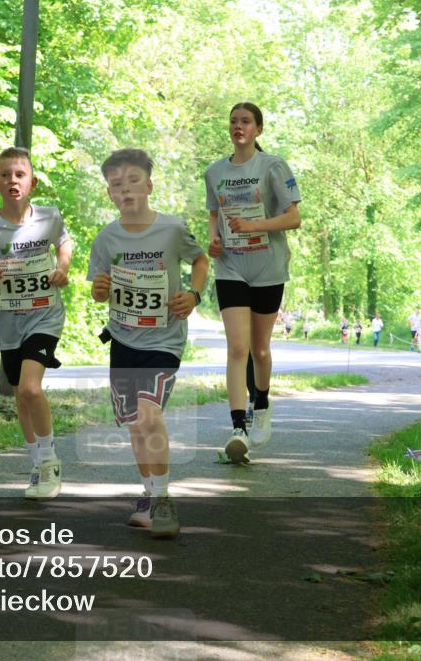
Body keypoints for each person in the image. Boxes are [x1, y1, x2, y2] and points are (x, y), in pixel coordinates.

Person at [89, 148, 208, 538]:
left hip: (164, 339)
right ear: (109, 193)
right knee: (135, 426)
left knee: (148, 415)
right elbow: (98, 290)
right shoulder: (106, 238)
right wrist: (100, 289)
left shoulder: (172, 229)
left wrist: (193, 295)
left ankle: (163, 501)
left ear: (150, 186)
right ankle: (149, 496)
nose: (125, 189)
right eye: (116, 184)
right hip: (123, 340)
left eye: (133, 180)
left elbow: (200, 260)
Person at [0, 147, 72, 499]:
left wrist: (63, 268)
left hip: (45, 315)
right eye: (5, 175)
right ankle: (37, 464)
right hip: (9, 322)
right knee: (19, 395)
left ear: (33, 182)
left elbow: (64, 243)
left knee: (30, 388)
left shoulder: (49, 217)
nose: (12, 180)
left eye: (20, 174)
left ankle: (50, 462)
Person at [206, 102, 301, 464]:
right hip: (230, 267)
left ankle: (261, 403)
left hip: (267, 268)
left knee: (259, 350)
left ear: (258, 129)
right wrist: (214, 241)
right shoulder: (214, 172)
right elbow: (214, 215)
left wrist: (254, 227)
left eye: (246, 121)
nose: (238, 126)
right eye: (233, 121)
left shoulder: (273, 166)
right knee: (236, 347)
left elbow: (293, 218)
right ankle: (237, 427)